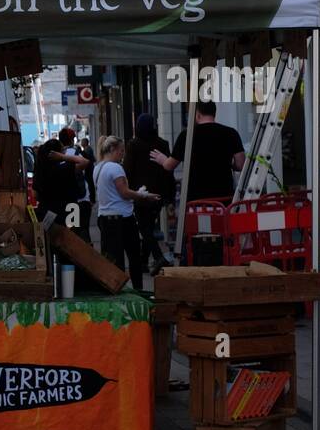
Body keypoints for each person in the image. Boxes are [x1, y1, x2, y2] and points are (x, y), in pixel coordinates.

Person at [94, 135, 161, 289]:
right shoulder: (115, 168)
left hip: (105, 217)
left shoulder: (98, 167)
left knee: (113, 258)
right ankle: (137, 289)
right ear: (112, 149)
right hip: (122, 218)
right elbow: (124, 192)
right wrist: (143, 195)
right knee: (133, 257)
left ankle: (114, 288)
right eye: (121, 151)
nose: (123, 154)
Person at [150, 100, 246, 204]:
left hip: (196, 200)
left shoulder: (186, 135)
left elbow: (169, 165)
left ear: (198, 114)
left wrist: (163, 160)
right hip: (223, 198)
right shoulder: (231, 133)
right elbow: (241, 165)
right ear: (214, 113)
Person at [125, 114, 177, 274]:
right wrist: (170, 195)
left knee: (144, 228)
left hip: (141, 194)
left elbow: (128, 169)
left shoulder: (133, 145)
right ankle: (142, 261)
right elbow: (168, 171)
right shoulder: (163, 143)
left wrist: (127, 190)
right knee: (148, 226)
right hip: (158, 194)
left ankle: (158, 256)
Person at [59, 127, 91, 241]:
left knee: (72, 232)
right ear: (72, 139)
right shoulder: (75, 153)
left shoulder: (58, 156)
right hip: (82, 199)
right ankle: (88, 256)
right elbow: (87, 167)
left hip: (69, 201)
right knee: (84, 231)